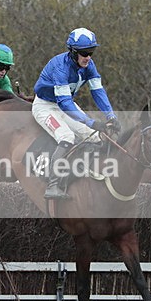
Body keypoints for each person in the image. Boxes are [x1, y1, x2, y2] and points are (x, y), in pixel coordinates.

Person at [32, 28, 121, 199]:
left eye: (91, 52)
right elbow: (65, 103)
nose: (88, 57)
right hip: (45, 106)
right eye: (84, 53)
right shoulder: (61, 67)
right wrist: (90, 121)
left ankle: (84, 172)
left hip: (65, 104)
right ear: (73, 52)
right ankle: (52, 185)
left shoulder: (89, 65)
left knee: (95, 137)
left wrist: (111, 116)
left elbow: (98, 91)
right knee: (66, 136)